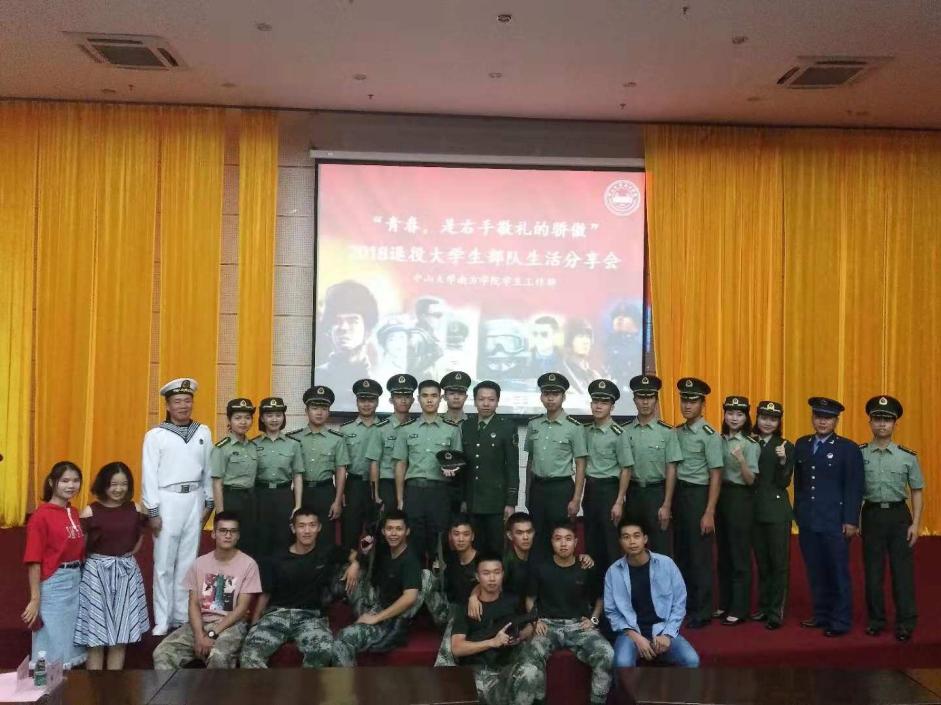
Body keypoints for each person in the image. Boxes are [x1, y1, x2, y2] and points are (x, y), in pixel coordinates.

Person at [240, 507, 361, 668]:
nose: (307, 531)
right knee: (249, 654)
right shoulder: (277, 557)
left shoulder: (327, 551)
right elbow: (265, 594)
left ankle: (305, 685)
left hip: (310, 617)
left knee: (323, 650)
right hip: (276, 615)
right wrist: (254, 625)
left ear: (319, 527)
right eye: (302, 526)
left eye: (312, 525)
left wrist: (355, 564)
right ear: (293, 528)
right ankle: (267, 686)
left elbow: (355, 555)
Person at [142, 378, 213, 636]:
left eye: (187, 400)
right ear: (168, 405)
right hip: (167, 499)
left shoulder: (203, 431)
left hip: (194, 498)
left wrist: (209, 502)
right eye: (177, 401)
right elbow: (149, 474)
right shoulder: (156, 435)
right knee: (164, 563)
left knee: (187, 560)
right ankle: (162, 618)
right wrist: (153, 510)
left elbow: (209, 469)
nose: (183, 405)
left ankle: (182, 614)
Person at [152, 511, 261, 669]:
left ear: (238, 536)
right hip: (201, 623)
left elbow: (242, 608)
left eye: (233, 531)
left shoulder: (249, 564)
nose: (228, 535)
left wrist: (212, 634)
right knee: (162, 653)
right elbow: (193, 604)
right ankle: (175, 687)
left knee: (218, 656)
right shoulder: (200, 563)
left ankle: (215, 687)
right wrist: (199, 635)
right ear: (213, 533)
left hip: (231, 625)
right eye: (223, 531)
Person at [793, 397, 864, 637]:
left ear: (836, 421)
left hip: (835, 521)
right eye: (818, 416)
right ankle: (821, 614)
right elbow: (800, 483)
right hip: (809, 520)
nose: (822, 421)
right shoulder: (802, 444)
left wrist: (851, 520)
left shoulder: (848, 448)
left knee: (837, 572)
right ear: (812, 418)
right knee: (815, 570)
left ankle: (840, 620)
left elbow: (854, 487)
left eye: (828, 418)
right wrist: (799, 512)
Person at [524, 521, 613, 705]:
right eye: (558, 539)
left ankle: (597, 702)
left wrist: (594, 619)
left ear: (576, 541)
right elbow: (530, 598)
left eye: (568, 539)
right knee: (531, 655)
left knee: (607, 654)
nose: (563, 544)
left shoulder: (586, 567)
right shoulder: (541, 567)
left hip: (578, 625)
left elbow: (600, 598)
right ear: (551, 541)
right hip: (548, 625)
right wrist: (535, 621)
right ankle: (540, 701)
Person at [860, 395, 924, 642]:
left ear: (895, 424)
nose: (882, 424)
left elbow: (917, 491)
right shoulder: (859, 454)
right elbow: (855, 491)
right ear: (870, 422)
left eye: (887, 420)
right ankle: (876, 620)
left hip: (899, 516)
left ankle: (905, 622)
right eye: (877, 419)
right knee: (873, 573)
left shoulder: (907, 456)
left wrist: (915, 524)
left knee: (902, 573)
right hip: (872, 514)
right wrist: (856, 519)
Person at [74, 462, 150, 669]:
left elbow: (139, 537)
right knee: (95, 636)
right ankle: (94, 685)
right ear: (103, 485)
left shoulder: (136, 508)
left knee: (120, 636)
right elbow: (81, 546)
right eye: (113, 484)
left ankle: (113, 685)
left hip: (126, 572)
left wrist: (125, 557)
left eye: (124, 484)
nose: (119, 489)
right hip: (96, 574)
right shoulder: (90, 511)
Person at [604, 516, 699, 668]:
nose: (632, 541)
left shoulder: (666, 564)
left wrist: (667, 635)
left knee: (691, 660)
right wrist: (636, 637)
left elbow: (679, 603)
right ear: (620, 541)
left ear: (645, 539)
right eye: (626, 537)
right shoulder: (613, 572)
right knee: (622, 663)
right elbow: (611, 611)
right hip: (631, 633)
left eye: (636, 536)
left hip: (663, 629)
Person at [450, 554, 543, 705]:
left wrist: (519, 636)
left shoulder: (513, 600)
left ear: (502, 574)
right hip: (478, 671)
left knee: (530, 671)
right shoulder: (467, 608)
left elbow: (528, 626)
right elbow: (457, 648)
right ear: (477, 576)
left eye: (497, 572)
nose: (492, 578)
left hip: (507, 666)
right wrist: (492, 642)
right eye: (486, 573)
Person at [334, 510, 424, 665]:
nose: (393, 534)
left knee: (343, 638)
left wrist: (376, 618)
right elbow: (364, 546)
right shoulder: (385, 550)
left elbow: (410, 597)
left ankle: (348, 682)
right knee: (346, 571)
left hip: (389, 620)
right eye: (389, 529)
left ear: (407, 531)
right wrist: (356, 562)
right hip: (377, 605)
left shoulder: (410, 560)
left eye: (399, 529)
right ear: (383, 531)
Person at [22, 462, 86, 669]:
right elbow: (33, 559)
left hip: (75, 580)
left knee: (69, 642)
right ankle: (44, 686)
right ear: (52, 482)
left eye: (75, 481)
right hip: (54, 582)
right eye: (65, 480)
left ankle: (64, 685)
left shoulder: (73, 512)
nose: (71, 485)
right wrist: (35, 598)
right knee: (50, 641)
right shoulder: (41, 516)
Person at [393, 379, 463, 564]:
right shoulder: (406, 429)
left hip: (440, 493)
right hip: (414, 492)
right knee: (413, 540)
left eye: (434, 396)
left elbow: (458, 465)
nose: (429, 400)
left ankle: (437, 580)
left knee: (439, 541)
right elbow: (400, 464)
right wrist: (400, 499)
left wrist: (453, 470)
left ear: (441, 398)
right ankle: (416, 580)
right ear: (418, 399)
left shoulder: (452, 429)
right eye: (425, 396)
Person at [673, 377, 723, 628]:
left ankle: (703, 611)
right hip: (679, 496)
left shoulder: (710, 435)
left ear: (703, 404)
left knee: (699, 557)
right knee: (681, 554)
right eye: (684, 400)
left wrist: (709, 511)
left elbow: (716, 474)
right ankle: (686, 606)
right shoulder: (677, 432)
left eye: (693, 401)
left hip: (699, 496)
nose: (687, 405)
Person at [525, 372, 588, 557]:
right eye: (546, 394)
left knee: (561, 538)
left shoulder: (574, 427)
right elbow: (530, 460)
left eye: (555, 394)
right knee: (537, 537)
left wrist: (576, 499)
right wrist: (527, 492)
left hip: (561, 489)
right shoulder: (534, 424)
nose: (550, 398)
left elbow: (581, 464)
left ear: (563, 397)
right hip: (538, 488)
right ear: (541, 396)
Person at [622, 375, 682, 556]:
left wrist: (667, 504)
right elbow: (623, 468)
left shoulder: (667, 432)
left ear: (656, 400)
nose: (645, 402)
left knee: (660, 547)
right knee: (632, 547)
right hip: (633, 494)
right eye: (641, 397)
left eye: (650, 397)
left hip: (657, 494)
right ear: (634, 400)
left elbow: (671, 469)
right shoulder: (624, 430)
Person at [714, 396, 760, 626]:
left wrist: (741, 460)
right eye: (730, 413)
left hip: (740, 497)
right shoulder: (717, 440)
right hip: (719, 495)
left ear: (746, 417)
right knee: (723, 553)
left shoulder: (750, 444)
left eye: (739, 414)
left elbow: (751, 480)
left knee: (738, 553)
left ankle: (740, 608)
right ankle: (724, 602)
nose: (734, 418)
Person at [462, 380, 520, 555]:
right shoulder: (466, 425)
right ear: (474, 401)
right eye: (481, 399)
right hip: (472, 501)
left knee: (496, 549)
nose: (486, 404)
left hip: (496, 502)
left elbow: (512, 467)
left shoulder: (507, 427)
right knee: (473, 549)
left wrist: (511, 502)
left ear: (498, 401)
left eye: (491, 399)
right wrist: (463, 499)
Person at [751, 400, 794, 630]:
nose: (768, 423)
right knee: (762, 563)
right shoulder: (750, 441)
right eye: (764, 418)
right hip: (754, 510)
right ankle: (764, 606)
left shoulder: (785, 445)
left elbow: (783, 482)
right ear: (757, 418)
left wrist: (783, 460)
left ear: (779, 422)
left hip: (777, 512)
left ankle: (776, 612)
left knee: (778, 564)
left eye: (773, 419)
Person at [583, 379, 634, 571]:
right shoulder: (586, 431)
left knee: (611, 544)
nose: (598, 406)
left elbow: (626, 468)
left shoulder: (618, 433)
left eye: (604, 402)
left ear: (612, 407)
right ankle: (594, 588)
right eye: (595, 401)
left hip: (610, 491)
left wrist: (619, 501)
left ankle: (613, 588)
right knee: (591, 542)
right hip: (591, 490)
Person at [289, 386, 351, 546]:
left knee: (325, 537)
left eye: (324, 408)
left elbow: (341, 470)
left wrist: (337, 500)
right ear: (306, 411)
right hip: (301, 493)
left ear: (329, 412)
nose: (319, 412)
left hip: (325, 492)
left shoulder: (337, 439)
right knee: (298, 535)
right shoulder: (293, 438)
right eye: (314, 408)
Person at [252, 397, 304, 559]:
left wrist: (298, 505)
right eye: (269, 415)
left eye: (278, 415)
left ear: (283, 417)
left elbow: (297, 475)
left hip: (284, 496)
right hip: (260, 495)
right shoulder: (253, 444)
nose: (274, 419)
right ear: (262, 418)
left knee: (284, 538)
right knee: (261, 539)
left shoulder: (293, 444)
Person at [426, 514, 479, 666]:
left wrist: (474, 595)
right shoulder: (451, 558)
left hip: (471, 617)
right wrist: (437, 574)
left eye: (465, 534)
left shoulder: (482, 561)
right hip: (450, 611)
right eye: (456, 534)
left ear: (472, 536)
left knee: (457, 615)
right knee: (425, 576)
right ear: (450, 536)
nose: (461, 539)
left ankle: (445, 671)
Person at [315, 280, 378, 407]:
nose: (343, 328)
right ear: (329, 330)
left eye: (353, 320)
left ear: (368, 331)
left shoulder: (380, 378)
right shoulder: (318, 376)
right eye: (337, 321)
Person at [211, 398, 259, 556]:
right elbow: (217, 483)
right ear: (229, 420)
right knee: (229, 544)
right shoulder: (222, 448)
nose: (243, 422)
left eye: (247, 418)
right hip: (231, 499)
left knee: (249, 542)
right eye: (238, 418)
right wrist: (220, 514)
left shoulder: (253, 446)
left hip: (251, 499)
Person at [340, 379, 383, 552]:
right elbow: (340, 464)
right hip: (354, 486)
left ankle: (374, 567)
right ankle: (348, 565)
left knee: (378, 532)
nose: (366, 404)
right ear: (356, 402)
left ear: (377, 402)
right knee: (350, 531)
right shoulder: (345, 430)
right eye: (362, 400)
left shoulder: (385, 427)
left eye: (371, 400)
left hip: (379, 486)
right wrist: (342, 491)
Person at [366, 374, 417, 513]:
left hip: (411, 483)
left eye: (407, 397)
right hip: (387, 483)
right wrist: (376, 494)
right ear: (391, 400)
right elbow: (374, 463)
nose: (403, 400)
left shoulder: (417, 427)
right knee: (388, 522)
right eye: (399, 397)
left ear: (413, 400)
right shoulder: (380, 428)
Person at [441, 370, 472, 514]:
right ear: (444, 396)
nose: (456, 397)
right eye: (452, 393)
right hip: (442, 483)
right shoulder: (437, 423)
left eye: (460, 393)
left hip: (468, 482)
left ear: (466, 397)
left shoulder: (473, 424)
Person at [561, 318, 603, 395]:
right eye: (580, 336)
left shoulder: (594, 375)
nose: (586, 341)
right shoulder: (562, 373)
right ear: (569, 341)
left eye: (588, 337)